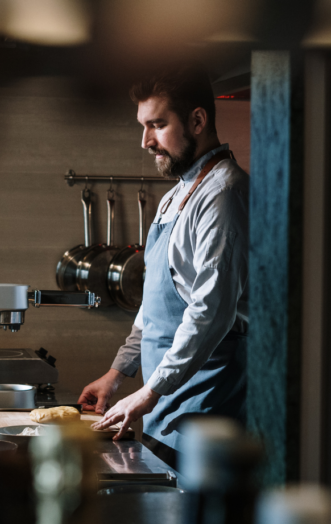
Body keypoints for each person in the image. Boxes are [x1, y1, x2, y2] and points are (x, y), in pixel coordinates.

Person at [79, 65, 249, 468]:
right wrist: (118, 372)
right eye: (143, 126)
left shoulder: (224, 194)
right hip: (165, 409)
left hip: (205, 414)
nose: (145, 141)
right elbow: (156, 302)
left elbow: (210, 313)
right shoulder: (176, 195)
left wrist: (145, 393)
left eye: (157, 125)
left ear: (197, 120)